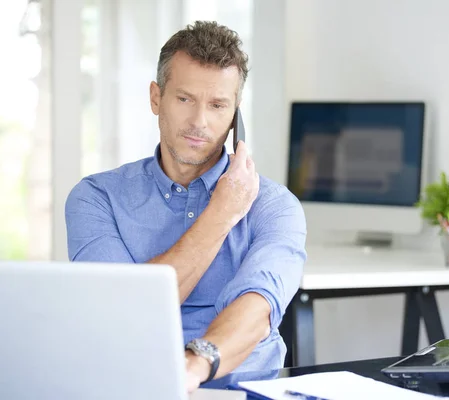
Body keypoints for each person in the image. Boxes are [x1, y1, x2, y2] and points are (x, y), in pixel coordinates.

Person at [64, 21, 307, 393]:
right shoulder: (96, 198)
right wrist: (222, 212)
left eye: (217, 105)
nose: (199, 122)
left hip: (241, 391)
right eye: (184, 99)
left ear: (235, 116)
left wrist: (194, 367)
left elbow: (258, 308)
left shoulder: (275, 206)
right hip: (133, 389)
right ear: (155, 98)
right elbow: (125, 313)